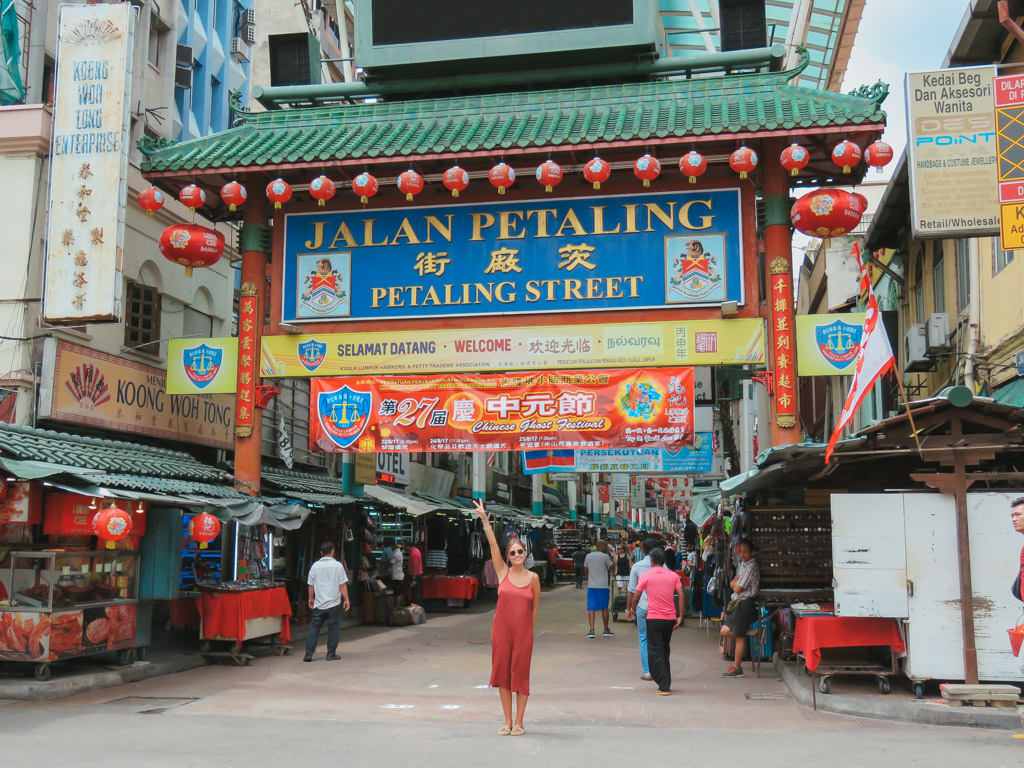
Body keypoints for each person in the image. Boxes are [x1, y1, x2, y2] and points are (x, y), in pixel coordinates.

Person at [473, 499, 539, 737]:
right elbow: (492, 545)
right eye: (513, 552)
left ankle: (520, 722)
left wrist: (528, 634)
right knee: (503, 676)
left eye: (520, 551)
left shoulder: (533, 579)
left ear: (525, 552)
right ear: (508, 557)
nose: (517, 554)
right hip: (501, 633)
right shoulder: (502, 572)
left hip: (523, 634)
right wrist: (484, 519)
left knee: (520, 676)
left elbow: (534, 610)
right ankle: (507, 721)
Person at [629, 548, 683, 695]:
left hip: (653, 619)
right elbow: (681, 595)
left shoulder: (646, 576)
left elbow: (636, 596)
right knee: (665, 649)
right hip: (670, 619)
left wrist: (633, 609)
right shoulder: (673, 575)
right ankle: (666, 680)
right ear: (664, 560)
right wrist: (680, 616)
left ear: (652, 560)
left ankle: (663, 685)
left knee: (655, 651)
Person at [304, 541, 351, 662]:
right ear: (333, 551)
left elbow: (310, 585)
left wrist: (311, 598)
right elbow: (342, 585)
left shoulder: (315, 566)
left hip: (319, 604)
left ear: (321, 553)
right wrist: (346, 599)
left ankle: (308, 654)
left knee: (314, 628)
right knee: (334, 629)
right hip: (334, 604)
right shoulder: (338, 566)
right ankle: (331, 654)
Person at [720, 538, 760, 678]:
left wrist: (734, 585)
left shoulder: (751, 567)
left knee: (739, 636)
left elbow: (737, 588)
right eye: (741, 551)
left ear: (753, 553)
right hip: (737, 604)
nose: (742, 554)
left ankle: (737, 667)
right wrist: (733, 584)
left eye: (745, 552)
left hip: (745, 603)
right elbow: (734, 584)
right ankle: (744, 631)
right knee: (725, 631)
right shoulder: (742, 565)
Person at [626, 537, 657, 680]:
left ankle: (647, 672)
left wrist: (628, 609)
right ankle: (658, 669)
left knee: (643, 638)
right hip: (659, 609)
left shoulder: (637, 567)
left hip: (642, 607)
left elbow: (631, 590)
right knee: (657, 640)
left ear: (642, 550)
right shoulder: (662, 566)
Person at [584, 540, 614, 638]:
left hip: (592, 586)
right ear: (602, 546)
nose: (606, 547)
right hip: (603, 586)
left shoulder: (588, 556)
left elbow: (585, 569)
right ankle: (606, 629)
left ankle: (591, 630)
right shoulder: (605, 556)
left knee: (591, 608)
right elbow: (612, 567)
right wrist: (609, 555)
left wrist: (589, 577)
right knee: (604, 608)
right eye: (605, 545)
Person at [407, 539, 423, 607]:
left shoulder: (414, 554)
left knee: (415, 593)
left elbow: (415, 566)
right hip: (417, 574)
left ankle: (417, 608)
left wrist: (414, 579)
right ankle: (417, 608)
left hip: (415, 575)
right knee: (415, 592)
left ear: (408, 546)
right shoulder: (416, 550)